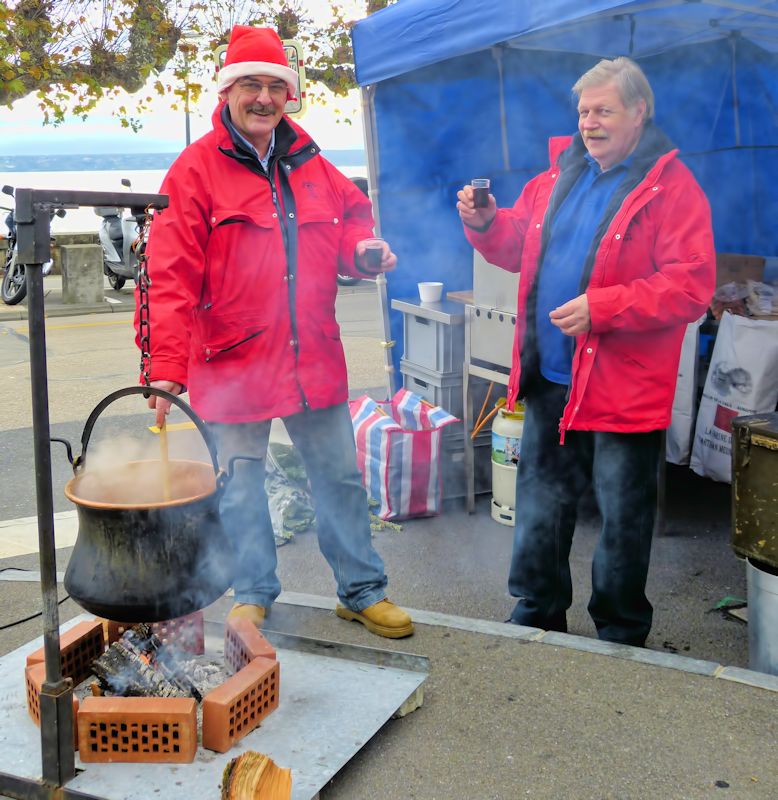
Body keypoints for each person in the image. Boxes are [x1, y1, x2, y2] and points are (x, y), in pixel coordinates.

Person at [136, 25, 413, 639]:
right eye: (250, 85)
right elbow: (168, 277)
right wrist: (164, 369)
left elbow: (352, 220)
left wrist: (362, 252)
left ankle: (362, 590)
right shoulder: (194, 171)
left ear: (289, 95)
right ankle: (253, 592)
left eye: (275, 87)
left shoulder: (314, 161)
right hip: (230, 365)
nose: (264, 98)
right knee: (240, 488)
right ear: (228, 91)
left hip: (311, 358)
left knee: (339, 478)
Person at [456, 57, 715, 646]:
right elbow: (516, 244)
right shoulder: (555, 177)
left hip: (624, 384)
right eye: (583, 112)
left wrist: (606, 307)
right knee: (542, 497)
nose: (589, 123)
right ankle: (537, 606)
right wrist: (486, 222)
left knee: (624, 515)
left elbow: (691, 283)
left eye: (603, 111)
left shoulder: (671, 187)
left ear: (638, 112)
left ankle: (621, 627)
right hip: (551, 373)